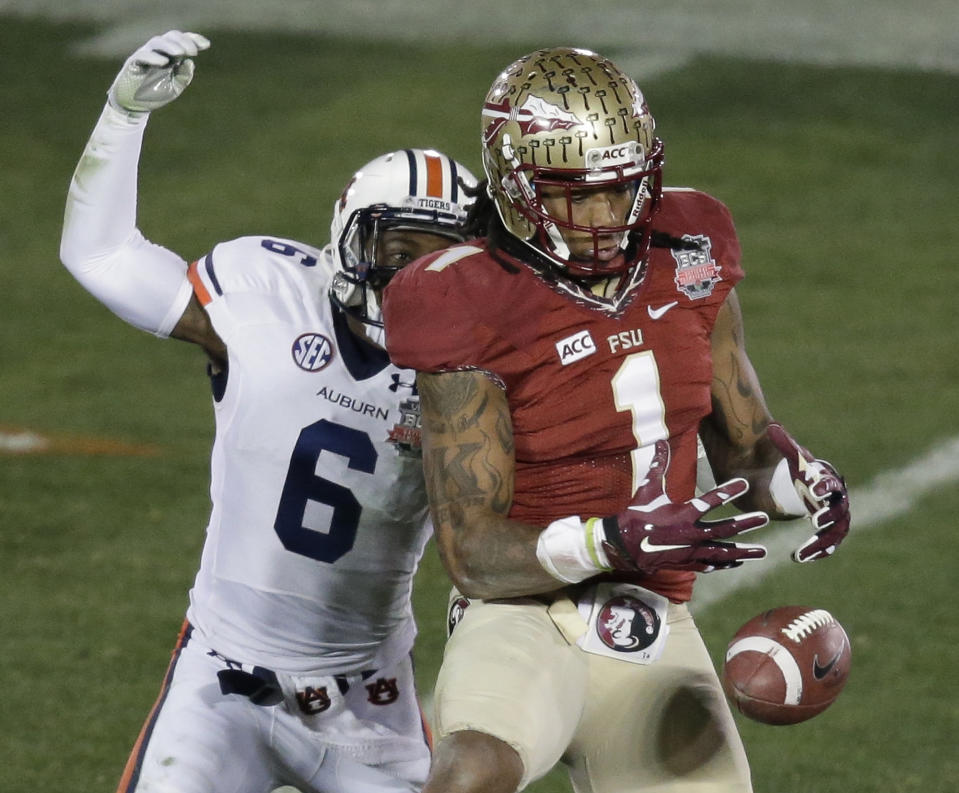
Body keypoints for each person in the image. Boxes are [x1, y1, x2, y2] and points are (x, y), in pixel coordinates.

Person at [382, 46, 851, 793]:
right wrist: (615, 536)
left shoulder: (689, 248)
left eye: (623, 189)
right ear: (514, 187)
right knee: (469, 772)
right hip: (522, 615)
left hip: (651, 621)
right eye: (577, 194)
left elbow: (744, 454)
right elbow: (472, 552)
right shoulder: (465, 299)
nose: (607, 216)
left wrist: (800, 482)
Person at [59, 31, 477, 793]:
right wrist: (122, 117)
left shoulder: (473, 369)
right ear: (351, 240)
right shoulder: (265, 296)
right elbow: (102, 254)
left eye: (440, 258)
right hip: (223, 679)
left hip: (368, 700)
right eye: (399, 250)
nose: (416, 278)